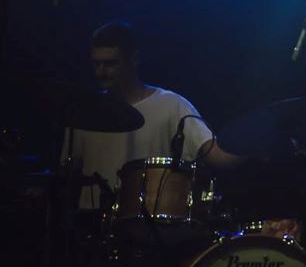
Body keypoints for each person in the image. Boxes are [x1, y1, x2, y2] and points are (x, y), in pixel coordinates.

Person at [61, 20, 242, 210]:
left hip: (150, 227)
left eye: (110, 64)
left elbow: (217, 156)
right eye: (96, 64)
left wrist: (258, 142)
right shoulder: (83, 112)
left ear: (134, 59)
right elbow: (67, 174)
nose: (101, 72)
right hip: (90, 226)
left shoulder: (171, 105)